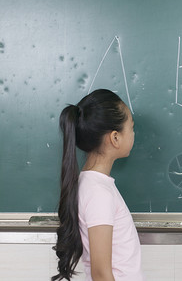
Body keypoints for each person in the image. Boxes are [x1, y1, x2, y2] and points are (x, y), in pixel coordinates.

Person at [52, 89, 144, 281]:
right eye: (132, 127)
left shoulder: (93, 185)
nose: (134, 134)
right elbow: (101, 274)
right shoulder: (99, 193)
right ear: (115, 138)